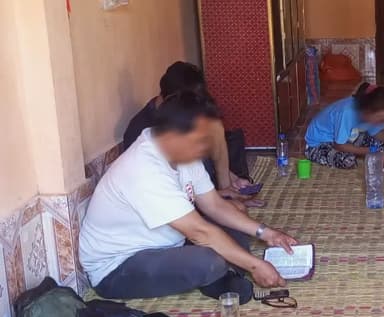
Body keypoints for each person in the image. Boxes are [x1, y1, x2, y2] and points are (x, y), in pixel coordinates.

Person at [80, 91, 296, 304]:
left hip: (170, 242)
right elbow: (199, 232)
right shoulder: (144, 169)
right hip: (120, 266)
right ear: (174, 135)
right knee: (208, 261)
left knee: (235, 213)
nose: (206, 148)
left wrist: (267, 233)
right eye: (201, 140)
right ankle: (221, 273)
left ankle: (226, 268)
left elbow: (214, 205)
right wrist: (255, 265)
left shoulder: (181, 152)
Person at [123, 61, 257, 205]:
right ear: (174, 98)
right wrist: (218, 197)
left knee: (215, 126)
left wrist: (233, 180)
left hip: (197, 183)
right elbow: (161, 190)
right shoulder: (141, 131)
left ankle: (228, 187)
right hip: (173, 196)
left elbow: (202, 161)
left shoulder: (184, 116)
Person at [304, 82, 384, 169]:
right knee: (348, 161)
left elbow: (377, 133)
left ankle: (359, 152)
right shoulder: (346, 112)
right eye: (380, 117)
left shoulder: (372, 111)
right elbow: (339, 145)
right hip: (319, 144)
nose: (382, 121)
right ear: (368, 111)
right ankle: (358, 153)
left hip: (348, 139)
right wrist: (370, 151)